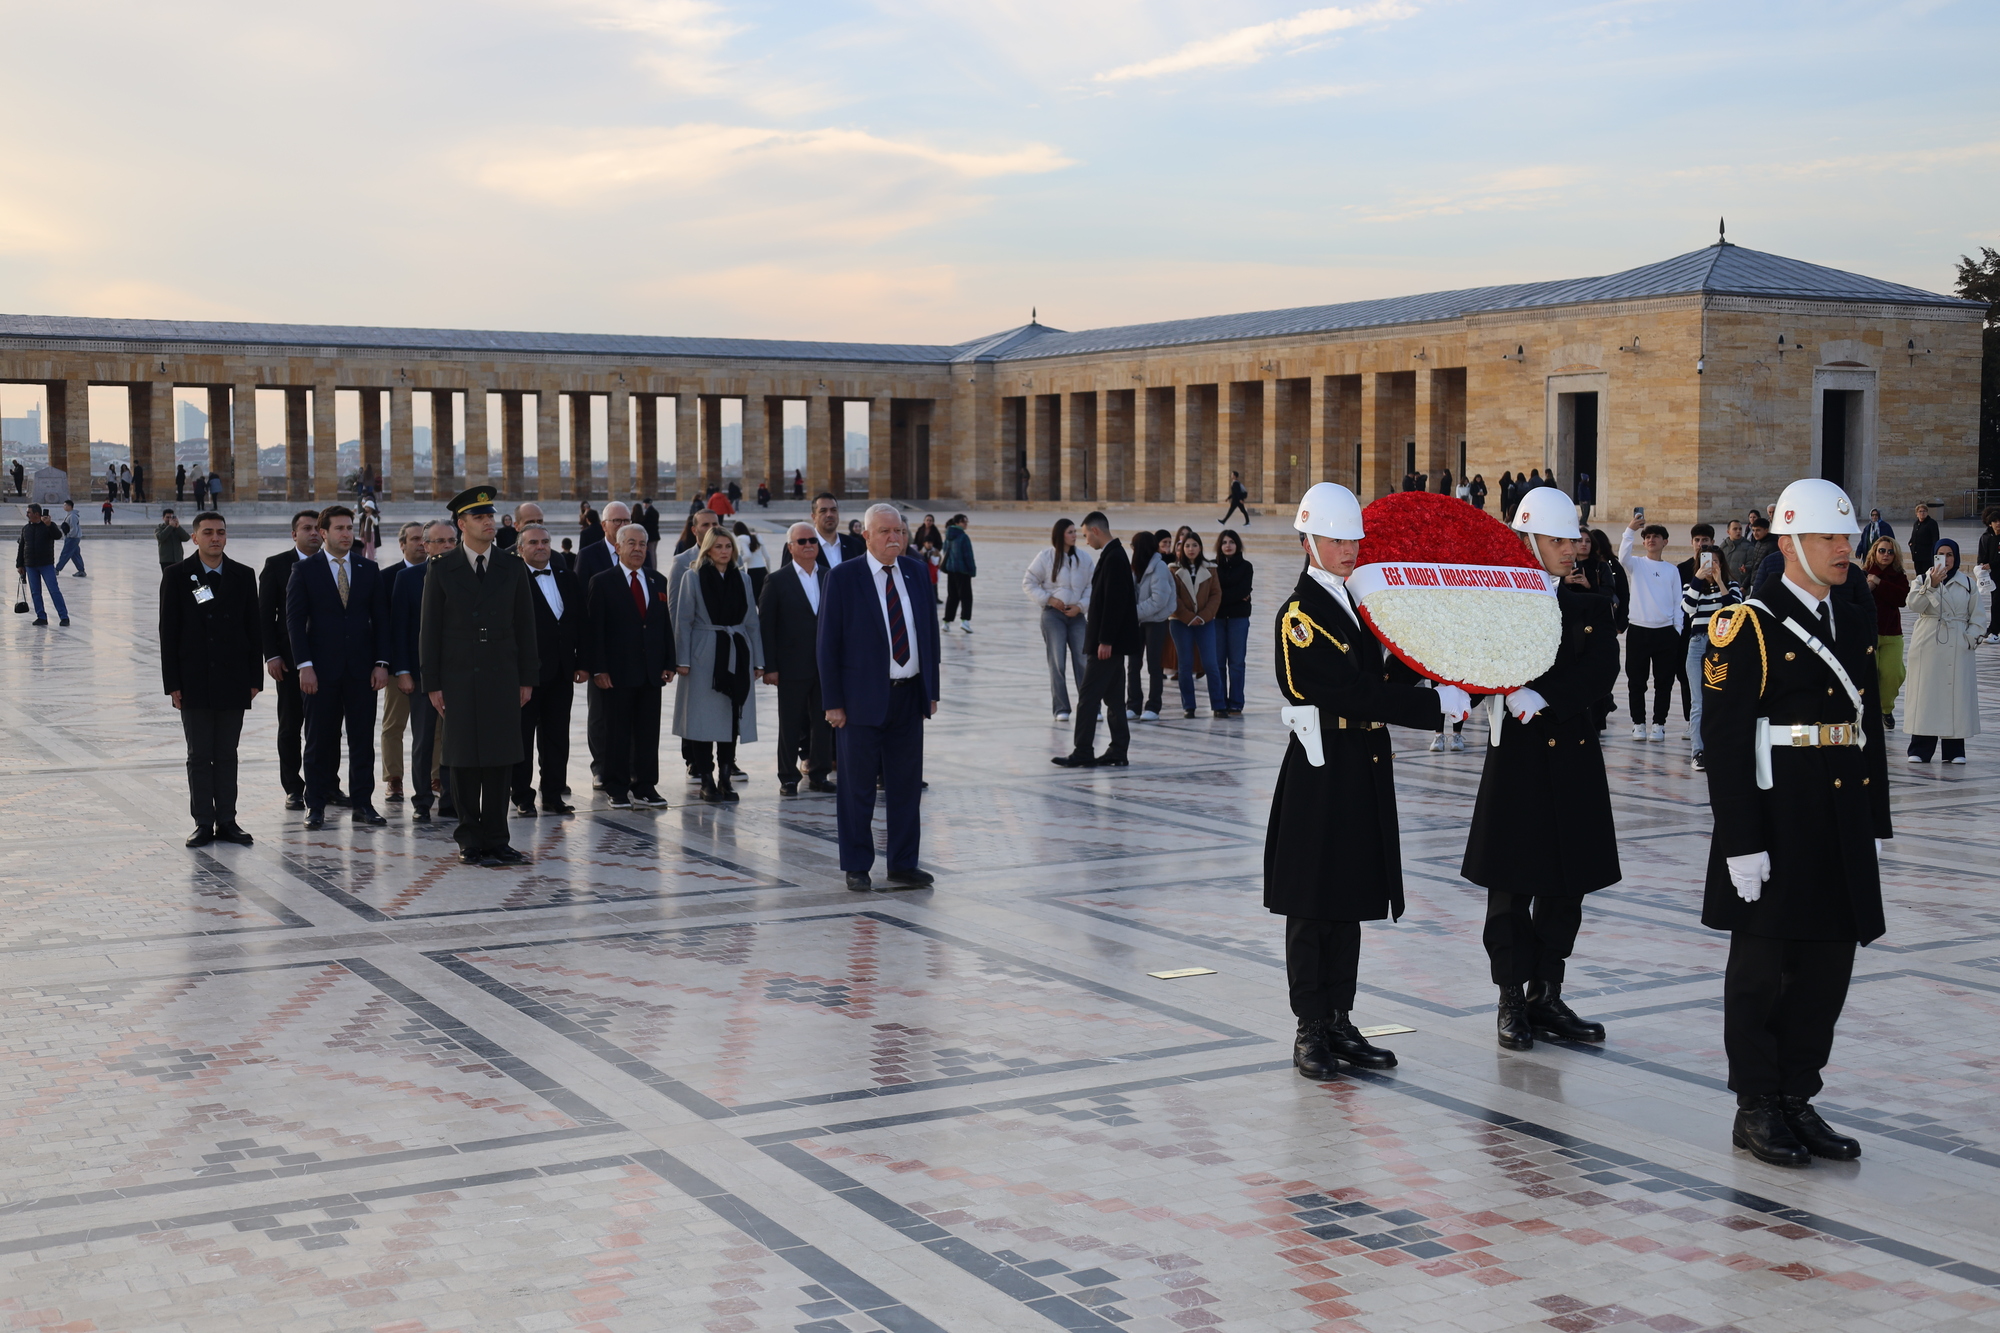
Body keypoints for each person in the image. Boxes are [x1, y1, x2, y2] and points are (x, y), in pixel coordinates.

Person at [1699, 477, 1889, 1168]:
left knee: (1826, 967)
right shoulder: (1745, 625)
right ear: (1789, 542)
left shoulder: (1854, 614)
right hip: (1776, 818)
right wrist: (1741, 842)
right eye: (1831, 538)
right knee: (1763, 969)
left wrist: (1871, 819)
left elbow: (1863, 724)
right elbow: (1723, 741)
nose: (1847, 549)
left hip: (1834, 817)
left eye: (1848, 537)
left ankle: (1797, 1094)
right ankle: (1756, 1105)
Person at [1269, 482, 1470, 1079]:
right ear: (1309, 542)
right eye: (1337, 539)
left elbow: (1378, 674)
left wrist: (1429, 674)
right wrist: (1429, 708)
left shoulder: (1355, 603)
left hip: (1359, 768)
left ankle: (1338, 1017)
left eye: (1354, 538)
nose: (1350, 548)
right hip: (1320, 772)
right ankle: (1309, 1027)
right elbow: (1346, 690)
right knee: (1312, 904)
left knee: (1350, 897)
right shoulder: (1300, 616)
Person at [1463, 487, 1621, 1050]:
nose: (1570, 548)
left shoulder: (1588, 605)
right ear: (1529, 540)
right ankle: (1510, 997)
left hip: (1573, 759)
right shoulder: (1498, 606)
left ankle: (1546, 992)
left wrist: (1547, 697)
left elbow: (1602, 670)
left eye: (1572, 538)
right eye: (1556, 539)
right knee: (1510, 886)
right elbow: (1475, 661)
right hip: (1519, 763)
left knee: (1568, 882)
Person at [820, 503, 940, 892]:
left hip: (908, 697)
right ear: (866, 536)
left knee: (906, 786)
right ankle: (857, 863)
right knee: (856, 787)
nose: (895, 538)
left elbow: (929, 634)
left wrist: (930, 691)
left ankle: (903, 864)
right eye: (886, 532)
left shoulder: (917, 572)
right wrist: (833, 702)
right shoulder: (844, 577)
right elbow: (827, 645)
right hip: (859, 702)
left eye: (900, 532)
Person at [420, 486, 540, 865]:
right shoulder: (442, 569)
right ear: (462, 524)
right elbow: (430, 631)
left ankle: (498, 837)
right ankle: (470, 838)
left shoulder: (512, 566)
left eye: (490, 515)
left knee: (501, 757)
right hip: (458, 676)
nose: (489, 522)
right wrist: (433, 684)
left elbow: (526, 626)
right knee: (464, 759)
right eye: (479, 517)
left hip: (502, 673)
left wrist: (526, 678)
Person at [160, 511, 261, 848]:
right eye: (207, 533)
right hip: (194, 679)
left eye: (220, 532)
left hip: (233, 679)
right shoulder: (178, 576)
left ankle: (228, 821)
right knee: (200, 754)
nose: (215, 538)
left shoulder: (243, 575)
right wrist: (172, 682)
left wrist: (254, 678)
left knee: (227, 753)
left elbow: (253, 628)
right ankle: (204, 821)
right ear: (195, 538)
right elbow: (168, 632)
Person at [286, 505, 391, 830]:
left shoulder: (367, 568)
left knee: (362, 740)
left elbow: (381, 620)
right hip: (321, 671)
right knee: (318, 739)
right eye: (341, 529)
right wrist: (304, 666)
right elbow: (295, 621)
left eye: (350, 528)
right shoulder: (304, 571)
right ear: (324, 532)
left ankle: (363, 803)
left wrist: (381, 663)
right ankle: (315, 804)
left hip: (361, 670)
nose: (348, 534)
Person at [586, 522, 675, 810]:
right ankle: (617, 786)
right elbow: (595, 630)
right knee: (617, 732)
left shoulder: (657, 581)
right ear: (618, 547)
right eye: (632, 543)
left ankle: (646, 786)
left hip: (650, 672)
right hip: (617, 672)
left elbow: (663, 625)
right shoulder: (602, 581)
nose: (638, 549)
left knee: (648, 732)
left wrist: (669, 662)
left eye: (642, 544)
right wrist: (599, 668)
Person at [674, 525, 762, 803]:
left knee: (730, 716)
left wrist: (759, 660)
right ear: (708, 549)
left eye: (728, 547)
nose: (724, 552)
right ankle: (706, 780)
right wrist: (683, 659)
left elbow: (752, 623)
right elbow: (683, 621)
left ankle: (725, 777)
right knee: (701, 721)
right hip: (703, 655)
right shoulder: (693, 577)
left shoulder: (743, 579)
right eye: (718, 546)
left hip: (737, 652)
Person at [1052, 512, 1139, 768]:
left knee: (1088, 697)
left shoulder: (1114, 557)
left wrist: (1106, 641)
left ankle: (1083, 751)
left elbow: (1114, 604)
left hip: (1107, 645)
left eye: (1086, 534)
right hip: (1110, 643)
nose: (1085, 540)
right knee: (1113, 699)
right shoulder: (1114, 555)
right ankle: (1118, 750)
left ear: (1096, 530)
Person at [513, 523, 587, 816]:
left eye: (545, 541)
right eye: (533, 542)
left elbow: (581, 622)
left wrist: (582, 663)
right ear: (520, 549)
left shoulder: (567, 577)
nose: (541, 546)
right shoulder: (512, 580)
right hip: (526, 675)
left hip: (561, 673)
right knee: (521, 737)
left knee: (557, 736)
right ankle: (521, 795)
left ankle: (554, 794)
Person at [760, 522, 835, 795]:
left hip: (824, 666)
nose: (808, 545)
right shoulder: (777, 580)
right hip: (791, 666)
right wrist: (770, 667)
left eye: (812, 541)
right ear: (790, 547)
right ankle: (788, 776)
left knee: (823, 721)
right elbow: (766, 626)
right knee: (790, 722)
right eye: (801, 541)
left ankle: (819, 772)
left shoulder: (830, 577)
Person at [259, 511, 327, 811]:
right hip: (288, 661)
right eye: (307, 528)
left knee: (326, 726)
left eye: (317, 528)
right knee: (290, 726)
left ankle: (327, 784)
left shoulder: (335, 563)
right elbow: (264, 616)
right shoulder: (276, 565)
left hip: (327, 658)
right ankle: (293, 786)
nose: (314, 533)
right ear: (294, 534)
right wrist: (271, 655)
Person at [391, 520, 457, 823]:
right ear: (425, 546)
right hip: (419, 675)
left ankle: (451, 799)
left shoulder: (468, 576)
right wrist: (402, 671)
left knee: (455, 740)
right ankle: (421, 800)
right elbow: (400, 630)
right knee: (423, 739)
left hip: (459, 675)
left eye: (451, 540)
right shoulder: (407, 578)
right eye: (439, 541)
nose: (446, 546)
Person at [1903, 537, 1981, 764]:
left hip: (1958, 641)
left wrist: (1970, 639)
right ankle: (1920, 748)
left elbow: (1978, 616)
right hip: (1928, 640)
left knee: (1955, 696)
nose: (1945, 560)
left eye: (1950, 555)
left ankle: (1954, 750)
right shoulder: (1921, 580)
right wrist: (1931, 584)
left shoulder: (1967, 583)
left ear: (1955, 558)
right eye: (1941, 554)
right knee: (1926, 695)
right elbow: (1914, 605)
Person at [1677, 524, 1742, 772]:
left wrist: (1719, 581)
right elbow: (1688, 608)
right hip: (1697, 644)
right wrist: (1699, 579)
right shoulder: (1691, 586)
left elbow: (1733, 610)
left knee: (1724, 697)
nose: (1710, 564)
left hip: (1722, 645)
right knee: (1699, 701)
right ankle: (1699, 751)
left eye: (1715, 561)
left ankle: (1723, 747)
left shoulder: (1732, 585)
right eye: (1706, 560)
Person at [1618, 516, 1683, 741]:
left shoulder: (1672, 570)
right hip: (1638, 630)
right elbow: (1622, 556)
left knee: (1664, 681)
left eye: (1656, 536)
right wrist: (1630, 530)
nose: (1651, 540)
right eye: (1647, 537)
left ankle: (1659, 723)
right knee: (1636, 681)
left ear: (1665, 541)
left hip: (1665, 632)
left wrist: (1677, 628)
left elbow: (1678, 602)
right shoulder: (1636, 564)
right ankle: (1638, 724)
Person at [377, 523, 428, 803]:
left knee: (435, 726)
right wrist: (388, 665)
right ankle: (394, 778)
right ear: (402, 544)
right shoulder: (386, 577)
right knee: (394, 725)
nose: (421, 544)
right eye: (416, 539)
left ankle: (435, 776)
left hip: (431, 665)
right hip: (400, 665)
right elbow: (386, 625)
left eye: (425, 539)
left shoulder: (441, 573)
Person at [1024, 518, 1093, 721]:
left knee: (1083, 661)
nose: (1075, 535)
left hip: (1077, 616)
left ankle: (1089, 706)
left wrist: (1081, 606)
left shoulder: (1084, 558)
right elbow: (1029, 582)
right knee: (1057, 662)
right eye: (1070, 532)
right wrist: (1049, 599)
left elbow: (1092, 586)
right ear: (1061, 534)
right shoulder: (1045, 557)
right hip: (1053, 617)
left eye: (1075, 532)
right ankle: (1061, 708)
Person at [1169, 532, 1224, 718]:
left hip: (1205, 622)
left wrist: (1203, 616)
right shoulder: (1173, 569)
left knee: (1210, 663)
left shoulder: (1211, 568)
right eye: (1187, 546)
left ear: (1200, 547)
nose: (1191, 549)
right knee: (1185, 665)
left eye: (1194, 545)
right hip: (1180, 622)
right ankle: (1189, 706)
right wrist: (1187, 616)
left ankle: (1218, 704)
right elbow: (1173, 596)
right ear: (1182, 549)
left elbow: (1216, 595)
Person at [1863, 537, 1909, 730]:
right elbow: (1857, 598)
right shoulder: (1863, 574)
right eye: (1882, 551)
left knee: (1892, 674)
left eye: (1890, 552)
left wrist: (1879, 583)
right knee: (1869, 676)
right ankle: (1869, 711)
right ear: (1874, 552)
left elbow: (1901, 598)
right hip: (1868, 633)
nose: (1886, 555)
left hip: (1891, 633)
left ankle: (1886, 708)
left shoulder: (1899, 575)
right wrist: (1870, 584)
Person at [1127, 531, 1175, 721]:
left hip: (1155, 622)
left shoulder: (1160, 567)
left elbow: (1159, 600)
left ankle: (1153, 706)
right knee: (1133, 665)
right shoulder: (1134, 568)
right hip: (1137, 622)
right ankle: (1133, 704)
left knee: (1155, 666)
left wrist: (1133, 613)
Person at [1213, 529, 1254, 717]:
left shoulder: (1246, 567)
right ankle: (1219, 702)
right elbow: (1216, 593)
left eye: (1231, 542)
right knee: (1219, 662)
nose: (1227, 545)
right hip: (1218, 619)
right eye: (1224, 542)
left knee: (1237, 662)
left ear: (1237, 545)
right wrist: (1236, 597)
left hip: (1238, 619)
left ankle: (1236, 703)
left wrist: (1222, 597)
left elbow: (1243, 589)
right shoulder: (1212, 567)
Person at [14, 505, 70, 627]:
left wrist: (49, 525)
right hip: (30, 565)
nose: (27, 514)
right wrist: (19, 564)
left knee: (54, 590)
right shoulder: (26, 528)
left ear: (36, 514)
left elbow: (58, 536)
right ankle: (41, 616)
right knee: (35, 592)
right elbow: (22, 547)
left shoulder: (48, 526)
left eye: (29, 512)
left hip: (46, 564)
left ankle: (64, 616)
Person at [941, 513, 976, 632]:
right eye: (963, 522)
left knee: (952, 596)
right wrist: (972, 570)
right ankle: (965, 621)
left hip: (951, 570)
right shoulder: (963, 537)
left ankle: (946, 623)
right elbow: (968, 555)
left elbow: (945, 551)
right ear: (957, 523)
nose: (966, 524)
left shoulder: (948, 535)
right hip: (962, 571)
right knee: (966, 597)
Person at [1978, 507, 2000, 642]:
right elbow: (1982, 557)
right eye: (1995, 521)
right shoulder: (1986, 537)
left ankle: (1995, 631)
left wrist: (1992, 564)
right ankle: (1994, 629)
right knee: (1995, 603)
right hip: (1993, 577)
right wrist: (1982, 566)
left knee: (1997, 603)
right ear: (1990, 523)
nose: (1998, 523)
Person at [733, 521, 768, 601]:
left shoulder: (742, 538)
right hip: (763, 570)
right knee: (764, 598)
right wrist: (768, 571)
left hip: (753, 571)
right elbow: (767, 557)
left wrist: (737, 563)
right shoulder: (757, 537)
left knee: (753, 598)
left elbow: (748, 555)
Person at [54, 500, 85, 577]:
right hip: (74, 537)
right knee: (75, 554)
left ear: (69, 506)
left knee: (65, 553)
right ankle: (81, 570)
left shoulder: (73, 516)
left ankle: (57, 569)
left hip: (72, 538)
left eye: (65, 505)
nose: (64, 507)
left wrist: (69, 535)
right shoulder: (70, 515)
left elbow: (74, 528)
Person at [1908, 502, 1939, 574]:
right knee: (1919, 575)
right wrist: (1911, 545)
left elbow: (1935, 538)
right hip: (1917, 556)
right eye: (1920, 511)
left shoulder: (1931, 523)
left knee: (1927, 575)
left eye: (1924, 511)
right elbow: (1913, 537)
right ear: (1917, 513)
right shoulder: (1916, 523)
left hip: (1927, 556)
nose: (1922, 513)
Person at [637, 497, 661, 569]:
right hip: (656, 535)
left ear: (646, 504)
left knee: (651, 553)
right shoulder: (655, 511)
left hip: (651, 536)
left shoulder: (649, 512)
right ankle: (654, 567)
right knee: (653, 553)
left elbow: (648, 524)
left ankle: (653, 568)